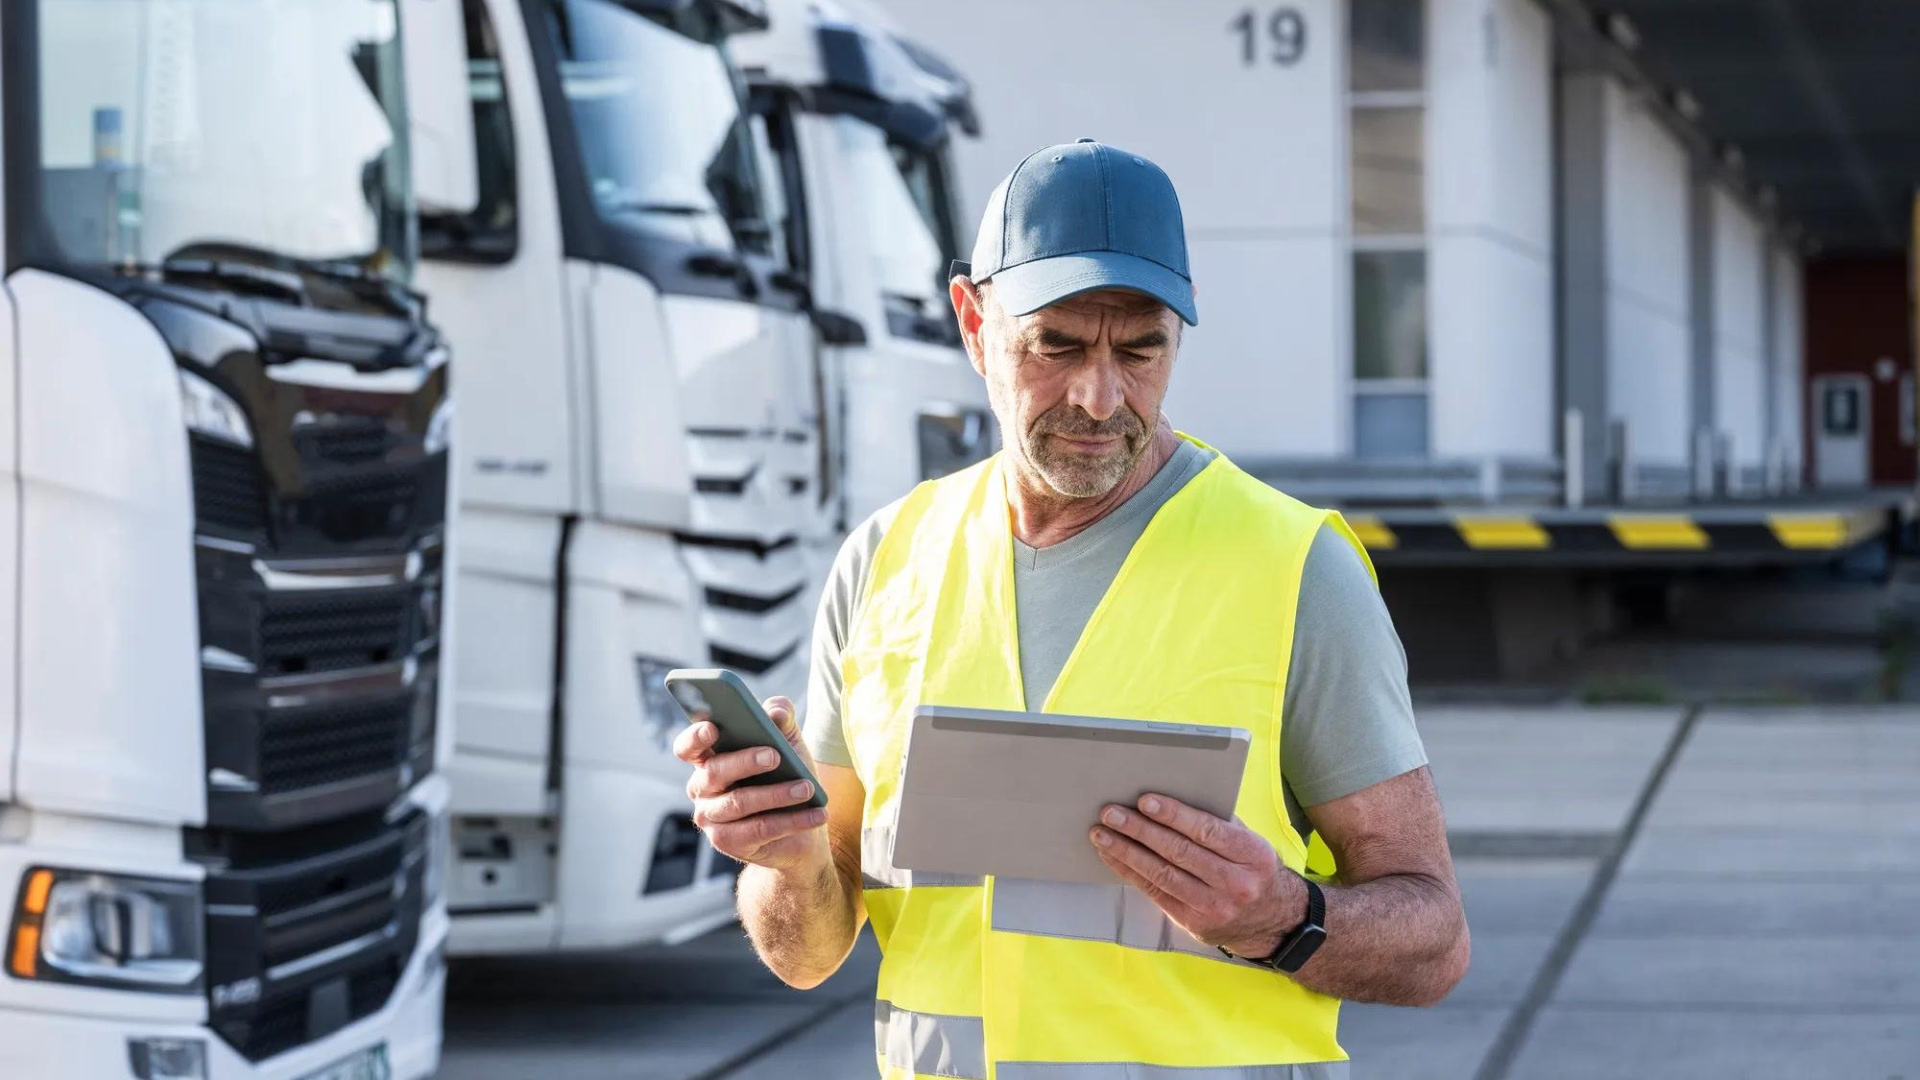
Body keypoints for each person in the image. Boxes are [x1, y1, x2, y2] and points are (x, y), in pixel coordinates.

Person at [675, 139, 1469, 1078]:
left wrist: (1284, 918)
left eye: (1141, 351)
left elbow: (1435, 942)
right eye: (1055, 346)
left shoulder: (1296, 569)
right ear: (973, 323)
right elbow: (806, 954)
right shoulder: (885, 560)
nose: (1100, 398)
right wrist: (785, 857)